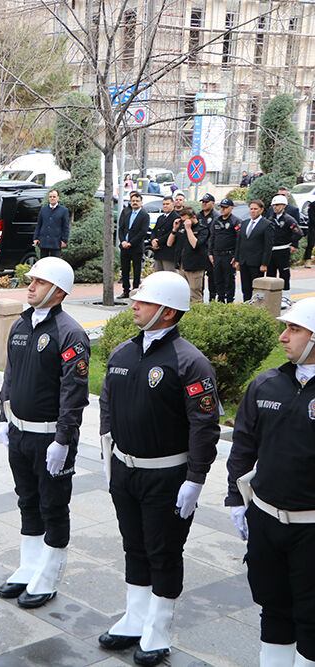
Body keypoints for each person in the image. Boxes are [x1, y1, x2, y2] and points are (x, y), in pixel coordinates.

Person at [97, 271, 219, 666]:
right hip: (126, 469)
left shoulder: (189, 362)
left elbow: (205, 425)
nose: (134, 306)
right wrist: (108, 451)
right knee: (133, 545)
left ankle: (159, 628)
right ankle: (135, 617)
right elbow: (106, 404)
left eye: (144, 302)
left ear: (168, 312)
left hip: (167, 475)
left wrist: (195, 479)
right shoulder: (123, 353)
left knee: (163, 551)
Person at [226, 298, 315, 667]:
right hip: (266, 520)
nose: (283, 337)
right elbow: (243, 445)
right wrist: (235, 498)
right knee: (272, 605)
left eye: (294, 329)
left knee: (311, 616)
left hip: (311, 528)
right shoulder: (266, 384)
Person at [0, 257, 89, 607]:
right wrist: (4, 415)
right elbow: (10, 375)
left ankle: (48, 575)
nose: (30, 286)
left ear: (59, 291)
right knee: (27, 499)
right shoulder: (22, 324)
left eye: (39, 282)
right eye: (30, 280)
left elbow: (74, 392)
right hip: (20, 431)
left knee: (53, 505)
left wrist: (63, 440)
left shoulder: (70, 333)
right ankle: (29, 565)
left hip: (50, 436)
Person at [168, 208, 210, 303]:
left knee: (195, 292)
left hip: (195, 266)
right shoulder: (181, 227)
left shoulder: (202, 229)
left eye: (186, 220)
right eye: (182, 220)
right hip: (181, 264)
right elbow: (169, 243)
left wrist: (188, 229)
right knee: (182, 293)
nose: (184, 223)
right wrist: (174, 229)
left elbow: (195, 244)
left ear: (193, 217)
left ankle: (197, 311)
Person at [234, 200, 273, 302]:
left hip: (257, 262)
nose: (253, 211)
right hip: (244, 261)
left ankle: (256, 307)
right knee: (245, 288)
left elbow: (268, 246)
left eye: (255, 209)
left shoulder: (266, 224)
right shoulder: (245, 223)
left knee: (256, 288)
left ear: (261, 210)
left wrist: (264, 263)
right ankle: (247, 305)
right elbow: (239, 243)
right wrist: (237, 260)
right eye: (251, 209)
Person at [266, 194, 302, 295]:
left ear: (284, 206)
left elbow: (298, 233)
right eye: (274, 205)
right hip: (272, 250)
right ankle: (271, 296)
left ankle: (285, 295)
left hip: (283, 250)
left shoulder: (288, 219)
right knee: (270, 274)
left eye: (277, 205)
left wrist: (289, 241)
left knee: (284, 273)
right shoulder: (270, 219)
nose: (275, 207)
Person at [208, 198, 240, 304]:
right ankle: (220, 300)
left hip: (229, 255)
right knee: (218, 279)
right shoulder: (216, 220)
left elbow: (239, 240)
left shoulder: (235, 221)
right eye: (221, 207)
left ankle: (230, 301)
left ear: (231, 208)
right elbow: (212, 237)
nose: (222, 209)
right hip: (217, 255)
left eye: (225, 207)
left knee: (229, 280)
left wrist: (236, 256)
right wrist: (210, 253)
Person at [117, 192, 149, 298]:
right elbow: (121, 228)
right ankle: (125, 290)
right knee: (125, 270)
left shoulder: (144, 215)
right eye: (133, 201)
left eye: (137, 201)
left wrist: (131, 243)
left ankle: (135, 291)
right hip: (124, 247)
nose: (135, 203)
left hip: (136, 247)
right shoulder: (126, 213)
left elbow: (143, 232)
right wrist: (123, 241)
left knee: (136, 270)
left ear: (141, 203)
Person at [32, 189, 69, 258]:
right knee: (43, 262)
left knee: (55, 262)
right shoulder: (43, 209)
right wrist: (35, 238)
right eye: (50, 197)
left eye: (54, 197)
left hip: (56, 243)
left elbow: (66, 227)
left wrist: (64, 240)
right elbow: (39, 225)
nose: (52, 198)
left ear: (58, 197)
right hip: (44, 242)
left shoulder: (64, 210)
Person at [197, 194, 218, 302]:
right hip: (199, 251)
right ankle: (199, 300)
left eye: (206, 202)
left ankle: (212, 299)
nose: (204, 204)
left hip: (210, 251)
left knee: (212, 277)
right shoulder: (198, 216)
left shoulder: (216, 217)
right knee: (198, 278)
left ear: (213, 204)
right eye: (203, 202)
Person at [150, 196, 177, 272]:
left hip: (168, 252)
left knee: (168, 274)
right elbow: (154, 231)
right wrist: (153, 240)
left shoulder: (176, 217)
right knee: (158, 274)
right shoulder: (161, 217)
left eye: (167, 204)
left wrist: (158, 242)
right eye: (164, 204)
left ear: (173, 204)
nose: (165, 206)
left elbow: (171, 233)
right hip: (158, 251)